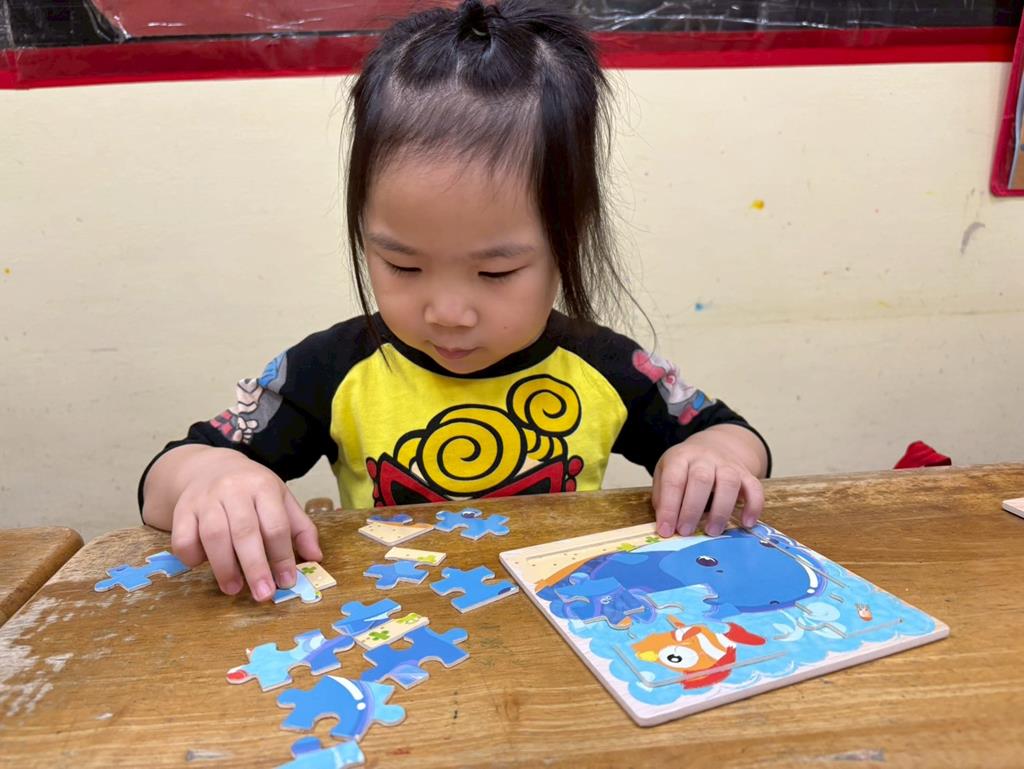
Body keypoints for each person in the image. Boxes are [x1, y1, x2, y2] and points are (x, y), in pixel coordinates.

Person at [139, 0, 770, 602]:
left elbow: (736, 439)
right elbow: (163, 483)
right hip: (392, 627)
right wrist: (211, 479)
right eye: (402, 265)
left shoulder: (605, 366)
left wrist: (709, 458)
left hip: (569, 621)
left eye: (496, 272)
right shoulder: (329, 368)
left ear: (567, 243)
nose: (447, 313)